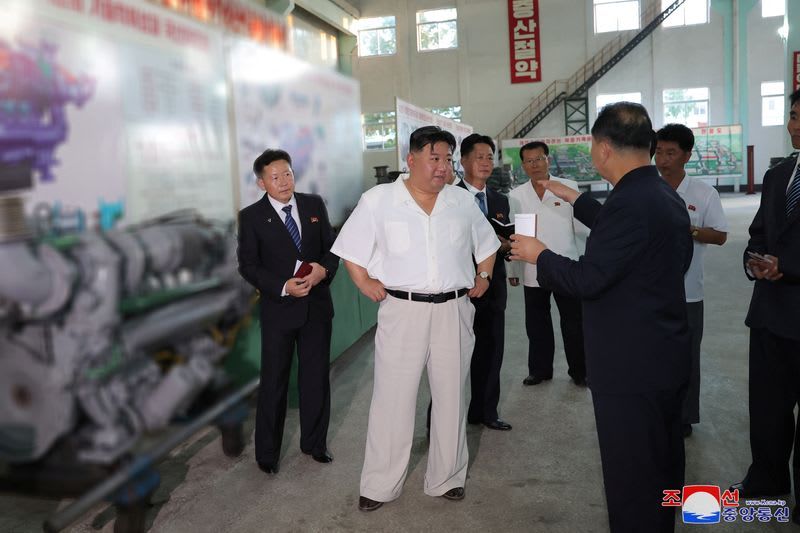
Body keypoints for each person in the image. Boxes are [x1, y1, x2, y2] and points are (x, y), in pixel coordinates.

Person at [509, 102, 693, 532]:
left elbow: (588, 279)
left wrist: (540, 255)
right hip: (661, 352)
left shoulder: (630, 203)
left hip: (630, 365)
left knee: (634, 476)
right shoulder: (658, 192)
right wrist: (576, 199)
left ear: (605, 148)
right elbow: (627, 237)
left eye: (592, 145)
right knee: (661, 461)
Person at [331, 126, 499, 511]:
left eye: (447, 160)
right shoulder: (379, 200)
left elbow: (487, 244)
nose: (443, 167)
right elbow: (351, 250)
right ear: (411, 159)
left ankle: (447, 477)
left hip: (454, 310)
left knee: (452, 396)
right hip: (403, 311)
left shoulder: (461, 201)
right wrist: (364, 282)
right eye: (434, 158)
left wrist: (484, 276)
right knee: (393, 399)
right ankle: (380, 484)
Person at [237, 149, 339, 474]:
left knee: (316, 380)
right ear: (261, 182)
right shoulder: (251, 217)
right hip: (279, 311)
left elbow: (332, 248)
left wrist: (323, 270)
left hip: (316, 309)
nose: (283, 181)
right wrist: (282, 286)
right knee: (274, 383)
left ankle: (315, 444)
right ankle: (267, 455)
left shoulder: (313, 205)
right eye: (275, 177)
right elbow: (248, 265)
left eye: (288, 174)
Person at [730, 89, 800, 525]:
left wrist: (787, 267)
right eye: (792, 115)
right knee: (768, 407)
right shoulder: (779, 175)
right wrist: (754, 259)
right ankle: (768, 478)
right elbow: (758, 231)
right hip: (771, 313)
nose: (795, 125)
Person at [655, 124, 728, 438]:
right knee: (653, 355)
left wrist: (689, 229)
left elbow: (720, 235)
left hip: (688, 292)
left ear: (686, 155)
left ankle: (684, 417)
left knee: (687, 358)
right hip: (650, 291)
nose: (663, 159)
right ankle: (657, 412)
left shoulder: (703, 193)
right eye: (659, 152)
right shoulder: (648, 190)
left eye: (670, 153)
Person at [508, 141, 588, 387]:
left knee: (573, 322)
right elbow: (513, 236)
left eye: (539, 159)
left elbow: (581, 229)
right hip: (532, 267)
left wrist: (584, 263)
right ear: (523, 165)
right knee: (536, 323)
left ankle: (580, 371)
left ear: (548, 160)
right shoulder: (516, 195)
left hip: (566, 265)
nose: (534, 165)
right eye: (529, 161)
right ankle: (540, 370)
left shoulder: (568, 187)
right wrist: (513, 270)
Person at [457, 133, 512, 430]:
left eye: (490, 157)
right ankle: (440, 419)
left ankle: (485, 411)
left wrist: (506, 246)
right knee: (452, 358)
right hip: (459, 288)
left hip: (493, 287)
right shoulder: (448, 197)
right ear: (463, 160)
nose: (486, 162)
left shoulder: (500, 200)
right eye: (479, 157)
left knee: (491, 350)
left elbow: (508, 244)